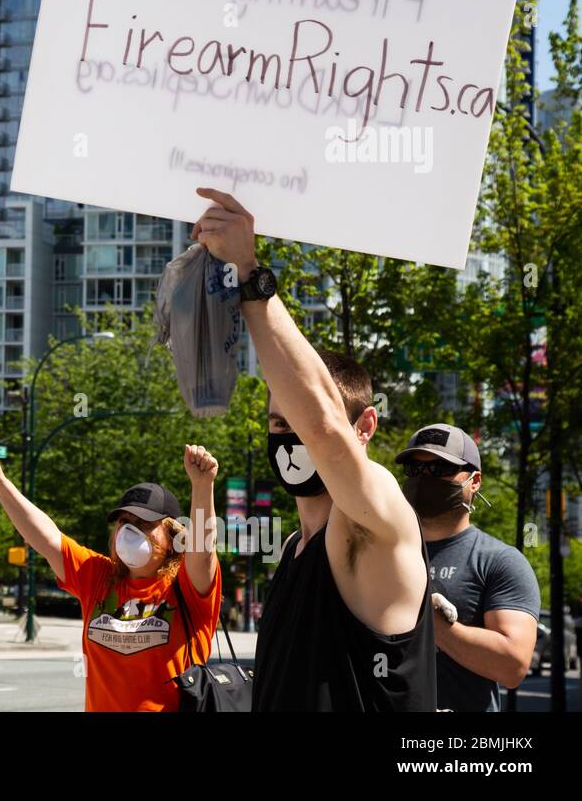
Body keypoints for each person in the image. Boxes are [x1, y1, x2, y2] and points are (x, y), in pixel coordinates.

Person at [192, 187, 436, 711]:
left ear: (365, 426)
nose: (290, 437)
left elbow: (324, 427)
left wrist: (250, 274)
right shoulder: (292, 549)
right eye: (278, 423)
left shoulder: (378, 520)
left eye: (297, 421)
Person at [0, 442, 221, 711]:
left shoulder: (185, 586)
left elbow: (203, 551)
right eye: (123, 522)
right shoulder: (99, 578)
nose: (129, 531)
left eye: (144, 524)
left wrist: (202, 485)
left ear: (175, 538)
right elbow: (46, 538)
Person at [396, 424, 538, 711]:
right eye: (415, 469)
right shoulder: (379, 553)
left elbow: (512, 665)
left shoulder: (499, 561)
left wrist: (432, 623)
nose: (425, 478)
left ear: (474, 481)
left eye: (440, 468)